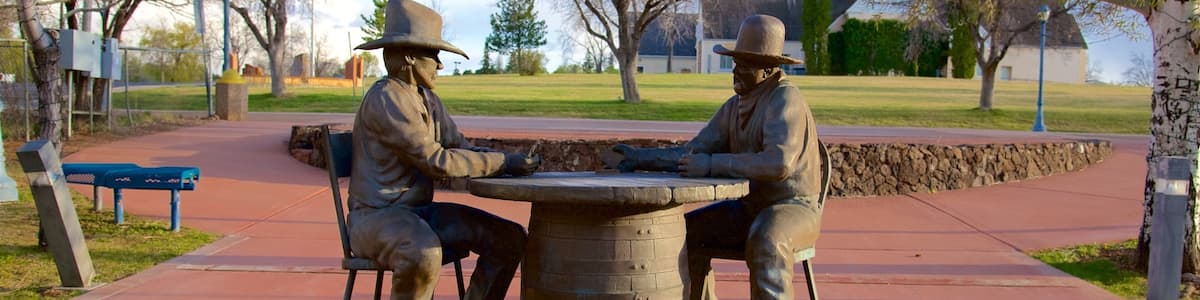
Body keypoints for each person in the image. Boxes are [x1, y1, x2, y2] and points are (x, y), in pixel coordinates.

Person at [607, 14, 822, 300]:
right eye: (735, 62)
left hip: (793, 208)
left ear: (768, 70)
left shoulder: (785, 98)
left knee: (767, 240)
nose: (735, 71)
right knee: (685, 232)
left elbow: (778, 163)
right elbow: (692, 153)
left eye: (744, 65)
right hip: (750, 208)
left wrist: (712, 164)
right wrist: (640, 158)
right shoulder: (735, 106)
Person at [346, 1, 539, 299]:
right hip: (376, 219)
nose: (440, 65)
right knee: (423, 253)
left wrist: (508, 161)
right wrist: (503, 162)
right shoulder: (386, 98)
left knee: (507, 238)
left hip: (420, 214)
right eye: (434, 55)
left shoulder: (427, 98)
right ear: (409, 56)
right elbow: (436, 161)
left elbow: (459, 147)